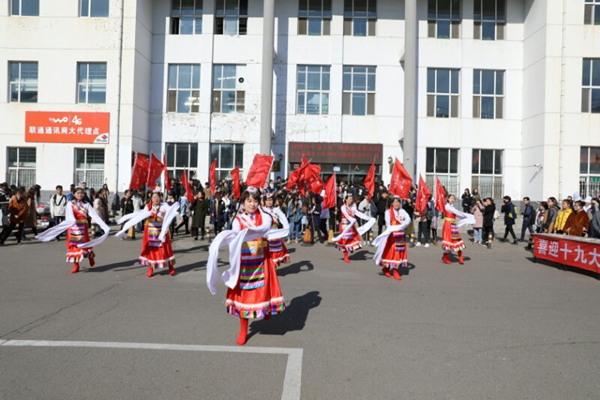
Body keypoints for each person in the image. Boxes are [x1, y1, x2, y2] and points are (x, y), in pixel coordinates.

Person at [206, 187, 287, 345]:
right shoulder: (238, 220)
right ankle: (243, 330)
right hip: (244, 264)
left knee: (264, 292)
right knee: (245, 297)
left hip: (261, 260)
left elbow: (266, 228)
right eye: (249, 200)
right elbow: (235, 236)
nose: (252, 204)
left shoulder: (264, 217)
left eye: (255, 200)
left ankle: (265, 309)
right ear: (243, 202)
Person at [35, 187, 110, 273]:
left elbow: (95, 216)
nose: (80, 194)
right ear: (74, 194)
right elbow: (69, 216)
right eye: (78, 193)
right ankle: (76, 265)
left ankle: (90, 256)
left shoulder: (86, 204)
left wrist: (104, 226)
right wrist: (73, 221)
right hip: (73, 227)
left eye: (82, 193)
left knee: (86, 244)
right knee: (73, 246)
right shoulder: (70, 204)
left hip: (83, 227)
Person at [116, 191, 179, 277]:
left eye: (157, 197)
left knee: (165, 250)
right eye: (154, 197)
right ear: (151, 199)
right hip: (151, 232)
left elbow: (171, 212)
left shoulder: (164, 206)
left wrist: (174, 209)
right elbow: (140, 216)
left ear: (160, 198)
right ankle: (151, 268)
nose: (156, 199)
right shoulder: (148, 207)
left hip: (161, 231)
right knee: (151, 251)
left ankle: (171, 267)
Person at [372, 195, 411, 280]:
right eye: (394, 202)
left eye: (398, 202)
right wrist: (400, 226)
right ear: (392, 203)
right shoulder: (388, 212)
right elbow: (388, 225)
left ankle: (386, 269)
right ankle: (395, 271)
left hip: (400, 235)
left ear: (400, 203)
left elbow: (408, 220)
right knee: (393, 253)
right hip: (392, 235)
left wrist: (401, 226)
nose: (396, 204)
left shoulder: (402, 211)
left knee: (399, 252)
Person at [334, 194, 376, 263]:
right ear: (346, 200)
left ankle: (349, 251)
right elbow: (347, 215)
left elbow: (359, 214)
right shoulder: (343, 207)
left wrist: (369, 218)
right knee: (345, 241)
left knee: (352, 239)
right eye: (349, 199)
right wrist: (351, 219)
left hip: (351, 226)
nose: (351, 201)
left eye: (351, 199)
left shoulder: (353, 207)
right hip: (345, 226)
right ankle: (345, 256)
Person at [441, 194, 475, 264]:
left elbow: (457, 214)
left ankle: (460, 257)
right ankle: (445, 258)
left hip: (453, 225)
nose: (452, 200)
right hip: (447, 225)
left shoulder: (452, 207)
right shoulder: (447, 206)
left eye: (453, 199)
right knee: (448, 241)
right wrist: (468, 216)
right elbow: (457, 212)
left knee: (457, 240)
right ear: (448, 199)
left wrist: (467, 217)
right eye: (451, 198)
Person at [263, 192, 290, 266]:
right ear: (264, 201)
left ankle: (272, 268)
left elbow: (283, 218)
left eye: (271, 200)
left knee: (276, 252)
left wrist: (286, 228)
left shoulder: (276, 209)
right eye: (267, 200)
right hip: (266, 234)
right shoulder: (262, 210)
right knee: (266, 252)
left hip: (275, 234)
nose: (269, 202)